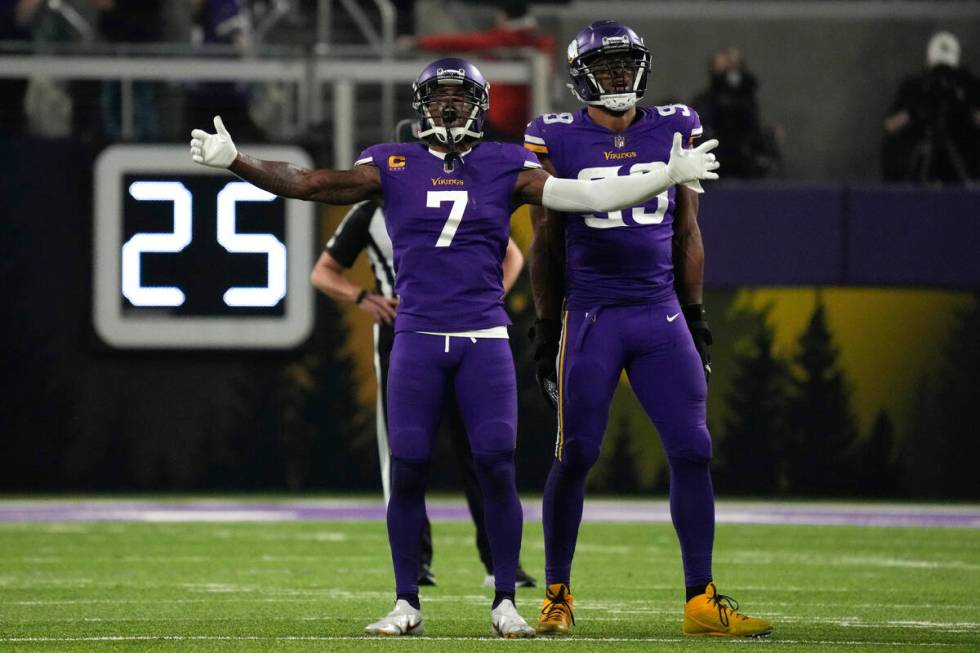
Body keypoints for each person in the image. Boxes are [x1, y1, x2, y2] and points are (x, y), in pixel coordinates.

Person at [190, 55, 719, 637]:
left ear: (479, 105)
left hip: (484, 336)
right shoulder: (392, 161)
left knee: (495, 465)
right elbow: (312, 184)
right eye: (440, 97)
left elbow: (585, 199)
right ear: (421, 107)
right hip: (415, 335)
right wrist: (237, 162)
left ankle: (505, 601)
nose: (449, 106)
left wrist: (664, 176)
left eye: (461, 97)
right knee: (410, 465)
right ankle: (405, 602)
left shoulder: (506, 160)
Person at [524, 21, 770, 638]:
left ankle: (700, 600)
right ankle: (556, 594)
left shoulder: (674, 125)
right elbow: (545, 243)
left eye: (624, 64)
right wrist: (545, 325)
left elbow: (688, 230)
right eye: (604, 67)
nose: (616, 77)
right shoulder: (552, 135)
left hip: (658, 314)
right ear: (581, 75)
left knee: (694, 449)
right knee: (576, 453)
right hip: (592, 315)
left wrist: (696, 313)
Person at [310, 118, 536, 589]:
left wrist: (489, 298)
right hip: (406, 328)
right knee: (406, 454)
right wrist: (362, 298)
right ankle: (415, 564)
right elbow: (324, 271)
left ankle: (499, 563)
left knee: (484, 450)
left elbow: (512, 254)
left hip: (471, 327)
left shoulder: (471, 191)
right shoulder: (372, 205)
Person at [882, 31, 980, 183]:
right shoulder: (915, 87)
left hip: (963, 160)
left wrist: (963, 108)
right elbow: (890, 125)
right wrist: (915, 112)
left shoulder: (969, 85)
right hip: (923, 155)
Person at [690, 46, 781, 179]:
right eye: (724, 66)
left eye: (733, 65)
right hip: (713, 162)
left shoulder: (747, 101)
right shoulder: (705, 101)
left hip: (745, 162)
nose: (729, 71)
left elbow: (752, 128)